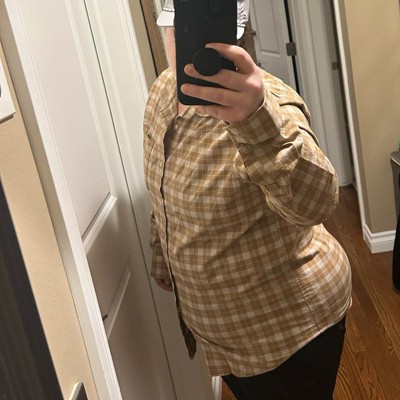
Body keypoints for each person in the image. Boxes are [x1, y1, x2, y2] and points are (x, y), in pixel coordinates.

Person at [143, 1, 352, 398]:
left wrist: (256, 120)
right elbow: (162, 183)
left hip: (289, 333)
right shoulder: (162, 92)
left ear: (235, 30)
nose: (183, 40)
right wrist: (162, 254)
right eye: (177, 25)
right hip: (225, 333)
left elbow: (317, 204)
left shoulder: (272, 103)